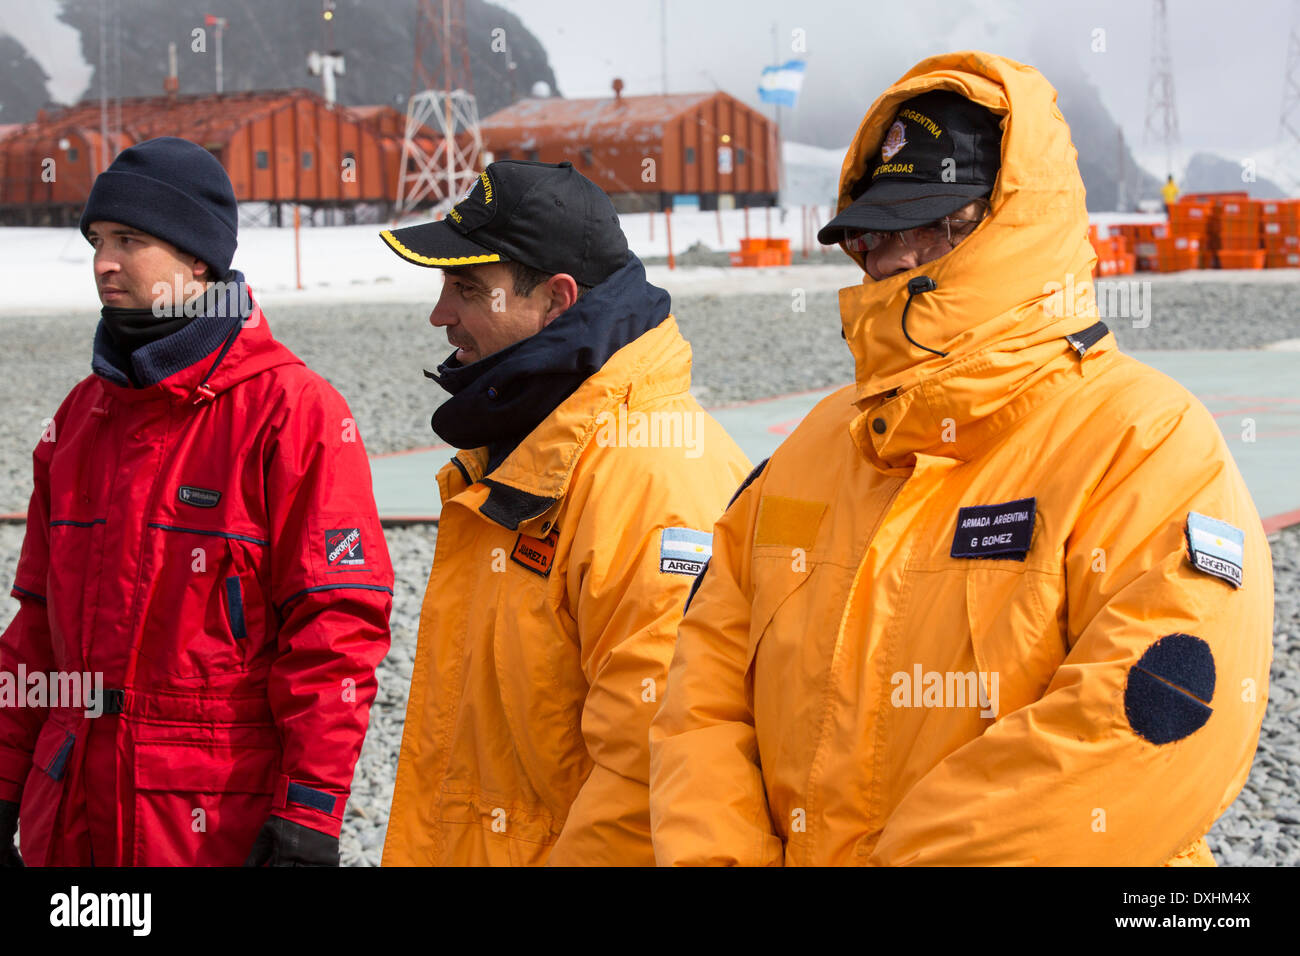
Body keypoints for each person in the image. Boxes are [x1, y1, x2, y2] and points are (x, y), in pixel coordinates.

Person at [648, 52, 1273, 866]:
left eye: (928, 224)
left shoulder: (1146, 447)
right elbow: (699, 700)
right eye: (873, 234)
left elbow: (1136, 739)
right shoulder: (812, 451)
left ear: (1009, 224)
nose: (891, 259)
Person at [0, 137, 393, 866]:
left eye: (130, 241)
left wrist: (309, 812)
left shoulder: (293, 412)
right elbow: (35, 627)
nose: (103, 264)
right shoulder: (82, 417)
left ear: (197, 262)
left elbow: (335, 629)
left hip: (203, 825)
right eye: (97, 241)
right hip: (71, 819)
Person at [378, 159, 751, 865]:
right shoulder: (531, 449)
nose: (440, 315)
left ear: (557, 299)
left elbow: (651, 781)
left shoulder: (652, 481)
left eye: (465, 289)